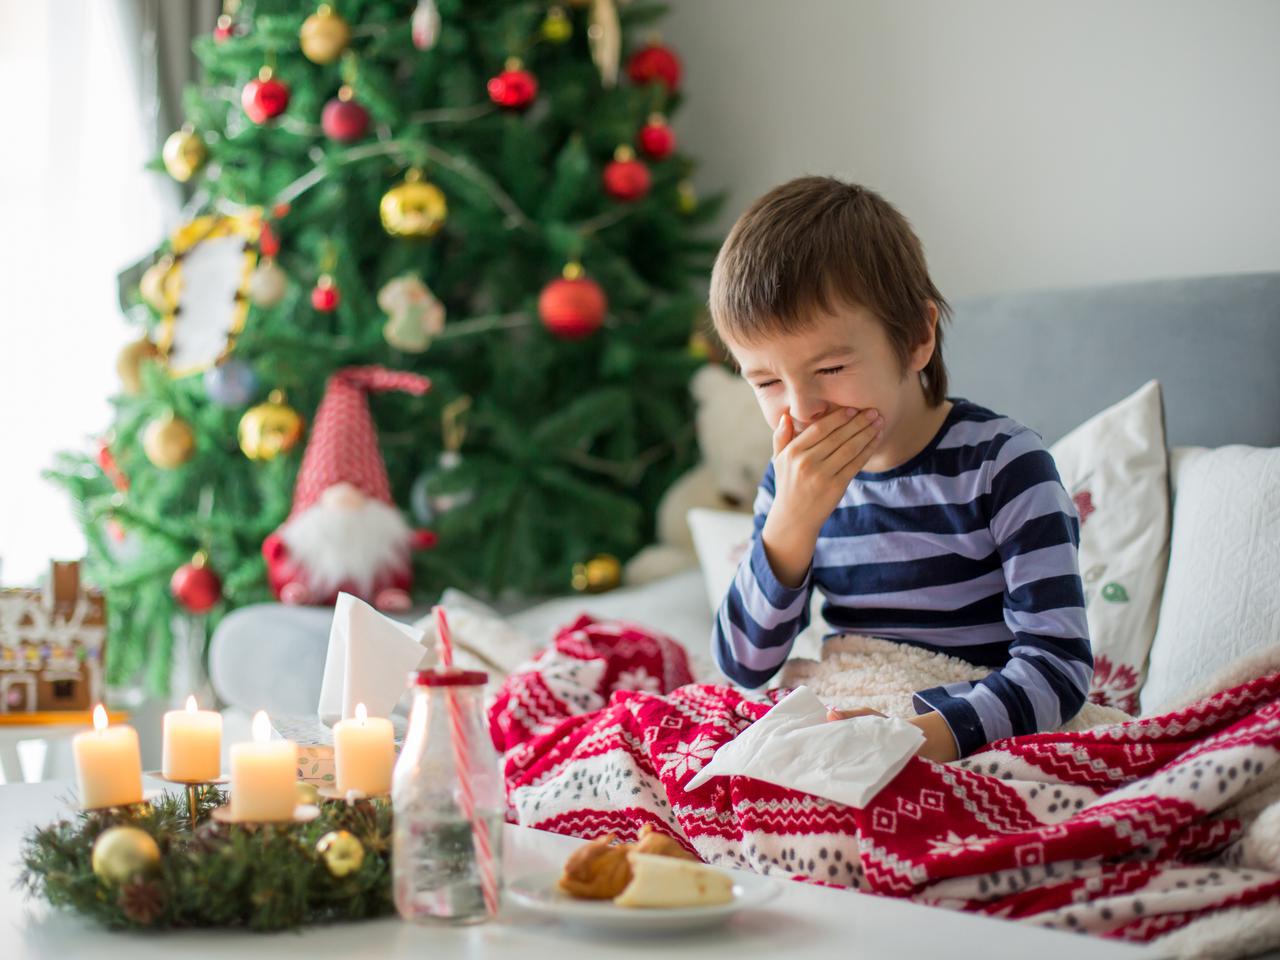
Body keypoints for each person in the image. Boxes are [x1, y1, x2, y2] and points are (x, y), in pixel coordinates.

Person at [708, 176, 1092, 762]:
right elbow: (744, 664)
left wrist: (909, 740)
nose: (803, 408)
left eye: (831, 368)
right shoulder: (789, 481)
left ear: (916, 337)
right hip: (848, 710)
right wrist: (790, 525)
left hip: (961, 732)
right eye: (766, 382)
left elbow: (1059, 669)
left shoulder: (1005, 466)